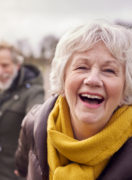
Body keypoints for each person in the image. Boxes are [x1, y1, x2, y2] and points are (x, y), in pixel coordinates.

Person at [15, 20, 132, 180]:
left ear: (126, 89)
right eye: (82, 67)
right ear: (63, 80)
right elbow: (21, 171)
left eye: (109, 70)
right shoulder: (32, 124)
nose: (93, 80)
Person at [0, 41, 45, 180]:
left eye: (5, 65)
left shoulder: (34, 93)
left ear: (17, 65)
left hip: (16, 175)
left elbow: (37, 119)